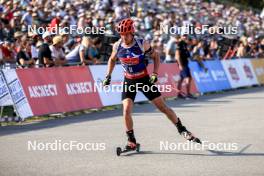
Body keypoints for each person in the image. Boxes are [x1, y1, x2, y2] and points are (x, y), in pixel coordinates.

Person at [102, 18, 201, 150]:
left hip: (144, 79)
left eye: (126, 34)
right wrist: (108, 75)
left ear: (132, 32)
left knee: (162, 107)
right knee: (126, 109)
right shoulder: (117, 45)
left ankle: (182, 129)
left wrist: (154, 73)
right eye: (121, 34)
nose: (124, 37)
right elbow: (112, 59)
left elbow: (156, 57)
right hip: (129, 80)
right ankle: (131, 141)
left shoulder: (142, 44)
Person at [175, 34, 196, 99]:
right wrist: (180, 65)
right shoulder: (180, 44)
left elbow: (187, 55)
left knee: (181, 79)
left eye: (186, 36)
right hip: (183, 64)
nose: (185, 37)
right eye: (184, 36)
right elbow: (177, 56)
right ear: (181, 37)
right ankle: (188, 94)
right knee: (188, 78)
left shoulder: (185, 44)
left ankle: (178, 94)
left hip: (185, 63)